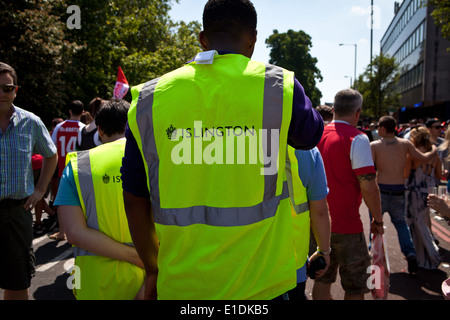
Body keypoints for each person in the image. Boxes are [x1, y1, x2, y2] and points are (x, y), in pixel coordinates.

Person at [121, 0, 324, 300]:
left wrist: (153, 268)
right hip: (263, 288)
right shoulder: (278, 87)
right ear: (253, 37)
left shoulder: (150, 98)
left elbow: (134, 196)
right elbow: (310, 135)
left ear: (202, 38)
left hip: (182, 286)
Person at [54, 99, 146, 299]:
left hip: (96, 284)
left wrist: (134, 257)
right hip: (151, 279)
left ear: (100, 131)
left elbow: (74, 233)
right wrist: (144, 261)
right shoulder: (154, 160)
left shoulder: (78, 165)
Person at [314, 88, 384, 300]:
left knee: (321, 279)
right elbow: (369, 188)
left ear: (334, 109)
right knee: (355, 288)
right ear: (358, 113)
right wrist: (378, 221)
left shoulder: (317, 134)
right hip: (347, 226)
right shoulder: (357, 138)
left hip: (318, 223)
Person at [0, 62, 57, 300]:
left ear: (16, 90)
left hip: (17, 211)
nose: (2, 93)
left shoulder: (30, 122)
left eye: (7, 88)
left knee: (17, 280)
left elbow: (51, 155)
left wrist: (41, 190)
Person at [370, 115, 438, 274]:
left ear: (382, 128)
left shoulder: (374, 146)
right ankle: (410, 253)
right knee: (401, 224)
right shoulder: (405, 144)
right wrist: (434, 148)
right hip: (399, 190)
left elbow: (370, 170)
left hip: (381, 190)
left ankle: (374, 253)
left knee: (375, 224)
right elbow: (423, 157)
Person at [285, 147, 330, 300]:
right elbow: (320, 212)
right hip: (290, 265)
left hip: (236, 265)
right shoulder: (306, 151)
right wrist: (323, 251)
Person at [404, 126, 442, 270]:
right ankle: (424, 255)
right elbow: (438, 175)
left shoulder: (413, 154)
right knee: (424, 222)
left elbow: (406, 174)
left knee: (415, 224)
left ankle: (429, 255)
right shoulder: (434, 155)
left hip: (414, 192)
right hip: (429, 191)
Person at [50, 100, 85, 241]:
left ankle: (61, 232)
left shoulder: (59, 127)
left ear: (69, 111)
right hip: (78, 170)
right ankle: (80, 231)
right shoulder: (83, 128)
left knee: (62, 202)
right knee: (80, 202)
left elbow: (52, 148)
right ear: (82, 113)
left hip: (62, 170)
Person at [31, 153, 56, 236]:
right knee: (36, 195)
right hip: (40, 161)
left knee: (34, 194)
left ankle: (39, 224)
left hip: (33, 163)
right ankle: (52, 215)